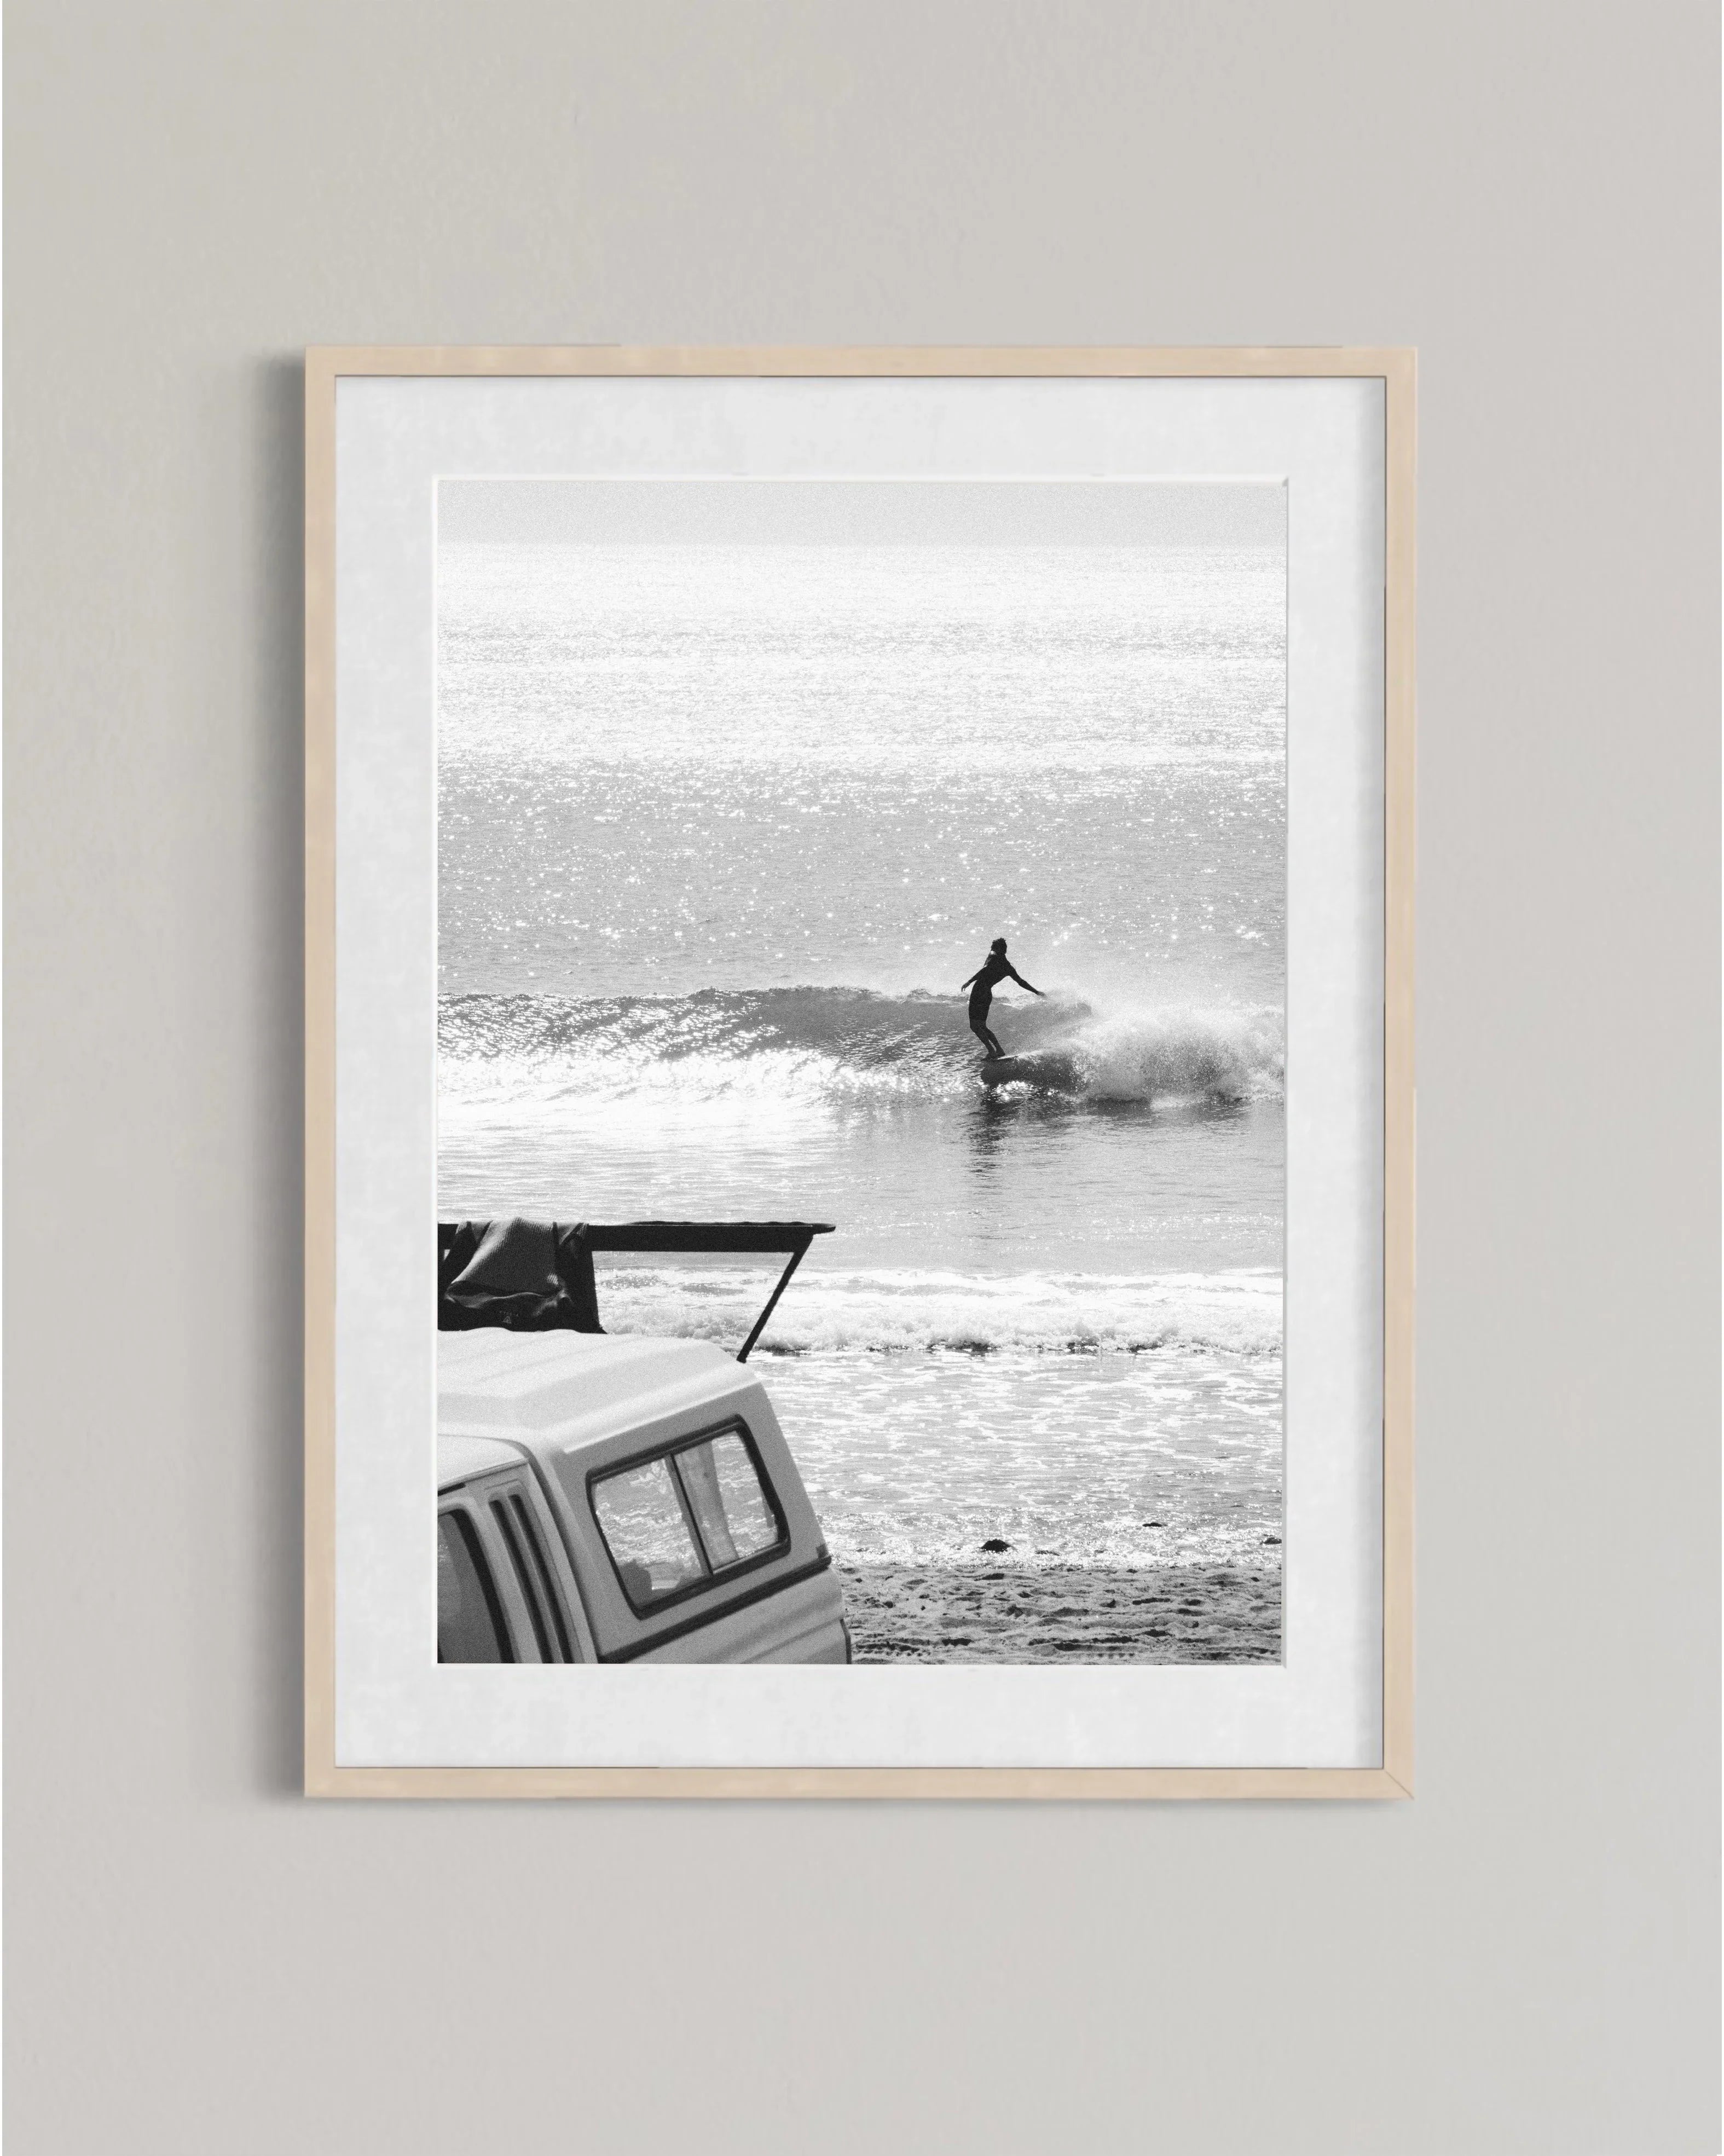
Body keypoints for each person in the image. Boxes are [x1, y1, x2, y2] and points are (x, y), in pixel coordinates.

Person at [961, 938, 1044, 1058]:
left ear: (997, 948)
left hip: (979, 991)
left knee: (974, 1026)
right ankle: (999, 1050)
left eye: (993, 948)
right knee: (983, 1026)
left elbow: (984, 970)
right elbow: (1021, 982)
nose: (991, 950)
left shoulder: (993, 955)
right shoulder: (1008, 967)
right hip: (987, 994)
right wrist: (1036, 992)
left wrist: (969, 981)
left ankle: (991, 1051)